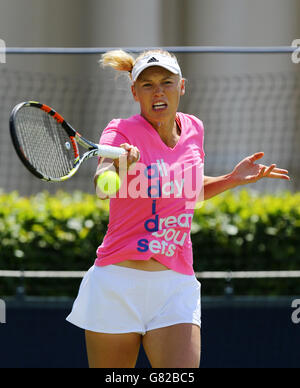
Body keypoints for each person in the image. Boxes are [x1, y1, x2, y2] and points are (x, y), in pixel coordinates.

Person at [66, 49, 290, 368]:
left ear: (181, 86)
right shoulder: (120, 131)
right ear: (134, 92)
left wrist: (232, 178)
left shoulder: (195, 129)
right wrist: (119, 169)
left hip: (175, 284)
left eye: (166, 82)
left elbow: (186, 191)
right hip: (117, 283)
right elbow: (103, 187)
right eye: (147, 85)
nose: (158, 91)